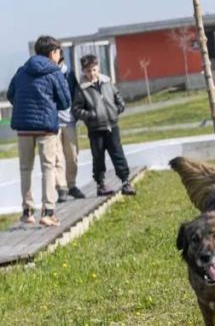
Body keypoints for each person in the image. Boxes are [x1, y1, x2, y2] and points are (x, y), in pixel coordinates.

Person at [7, 35, 72, 227]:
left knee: (25, 168)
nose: (60, 56)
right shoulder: (54, 72)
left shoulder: (22, 70)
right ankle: (48, 212)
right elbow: (65, 102)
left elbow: (11, 94)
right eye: (59, 52)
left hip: (23, 127)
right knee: (48, 167)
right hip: (46, 127)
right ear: (52, 52)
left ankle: (27, 211)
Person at [73, 54, 134, 196]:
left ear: (98, 67)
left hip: (112, 126)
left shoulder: (107, 82)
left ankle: (125, 182)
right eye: (88, 71)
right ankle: (100, 184)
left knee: (118, 153)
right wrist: (91, 115)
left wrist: (117, 109)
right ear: (83, 71)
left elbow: (118, 98)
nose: (92, 73)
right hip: (96, 129)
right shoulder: (81, 89)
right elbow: (76, 109)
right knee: (98, 157)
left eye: (94, 69)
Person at [55, 54, 85, 202]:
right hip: (53, 123)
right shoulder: (46, 75)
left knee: (72, 156)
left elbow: (77, 95)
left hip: (69, 121)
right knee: (57, 158)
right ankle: (61, 188)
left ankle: (71, 185)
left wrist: (77, 113)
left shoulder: (69, 74)